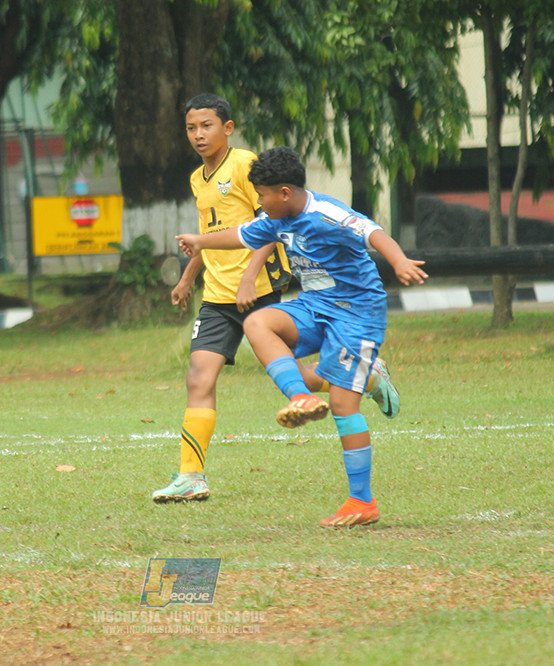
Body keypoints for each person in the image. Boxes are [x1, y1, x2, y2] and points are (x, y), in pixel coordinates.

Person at [152, 94, 400, 504]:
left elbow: (271, 225)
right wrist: (188, 276)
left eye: (206, 126)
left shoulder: (247, 167)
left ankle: (367, 376)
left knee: (306, 377)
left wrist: (250, 276)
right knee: (198, 376)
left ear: (227, 128)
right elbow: (217, 234)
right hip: (217, 296)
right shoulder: (199, 179)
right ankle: (191, 476)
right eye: (191, 128)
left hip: (260, 291)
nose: (198, 135)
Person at [176, 146, 428, 527]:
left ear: (284, 193)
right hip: (314, 305)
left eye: (261, 195)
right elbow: (240, 235)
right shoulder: (275, 219)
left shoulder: (325, 213)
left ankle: (362, 503)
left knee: (344, 405)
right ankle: (300, 396)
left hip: (356, 312)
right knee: (258, 324)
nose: (258, 202)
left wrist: (399, 261)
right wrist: (199, 241)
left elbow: (373, 232)